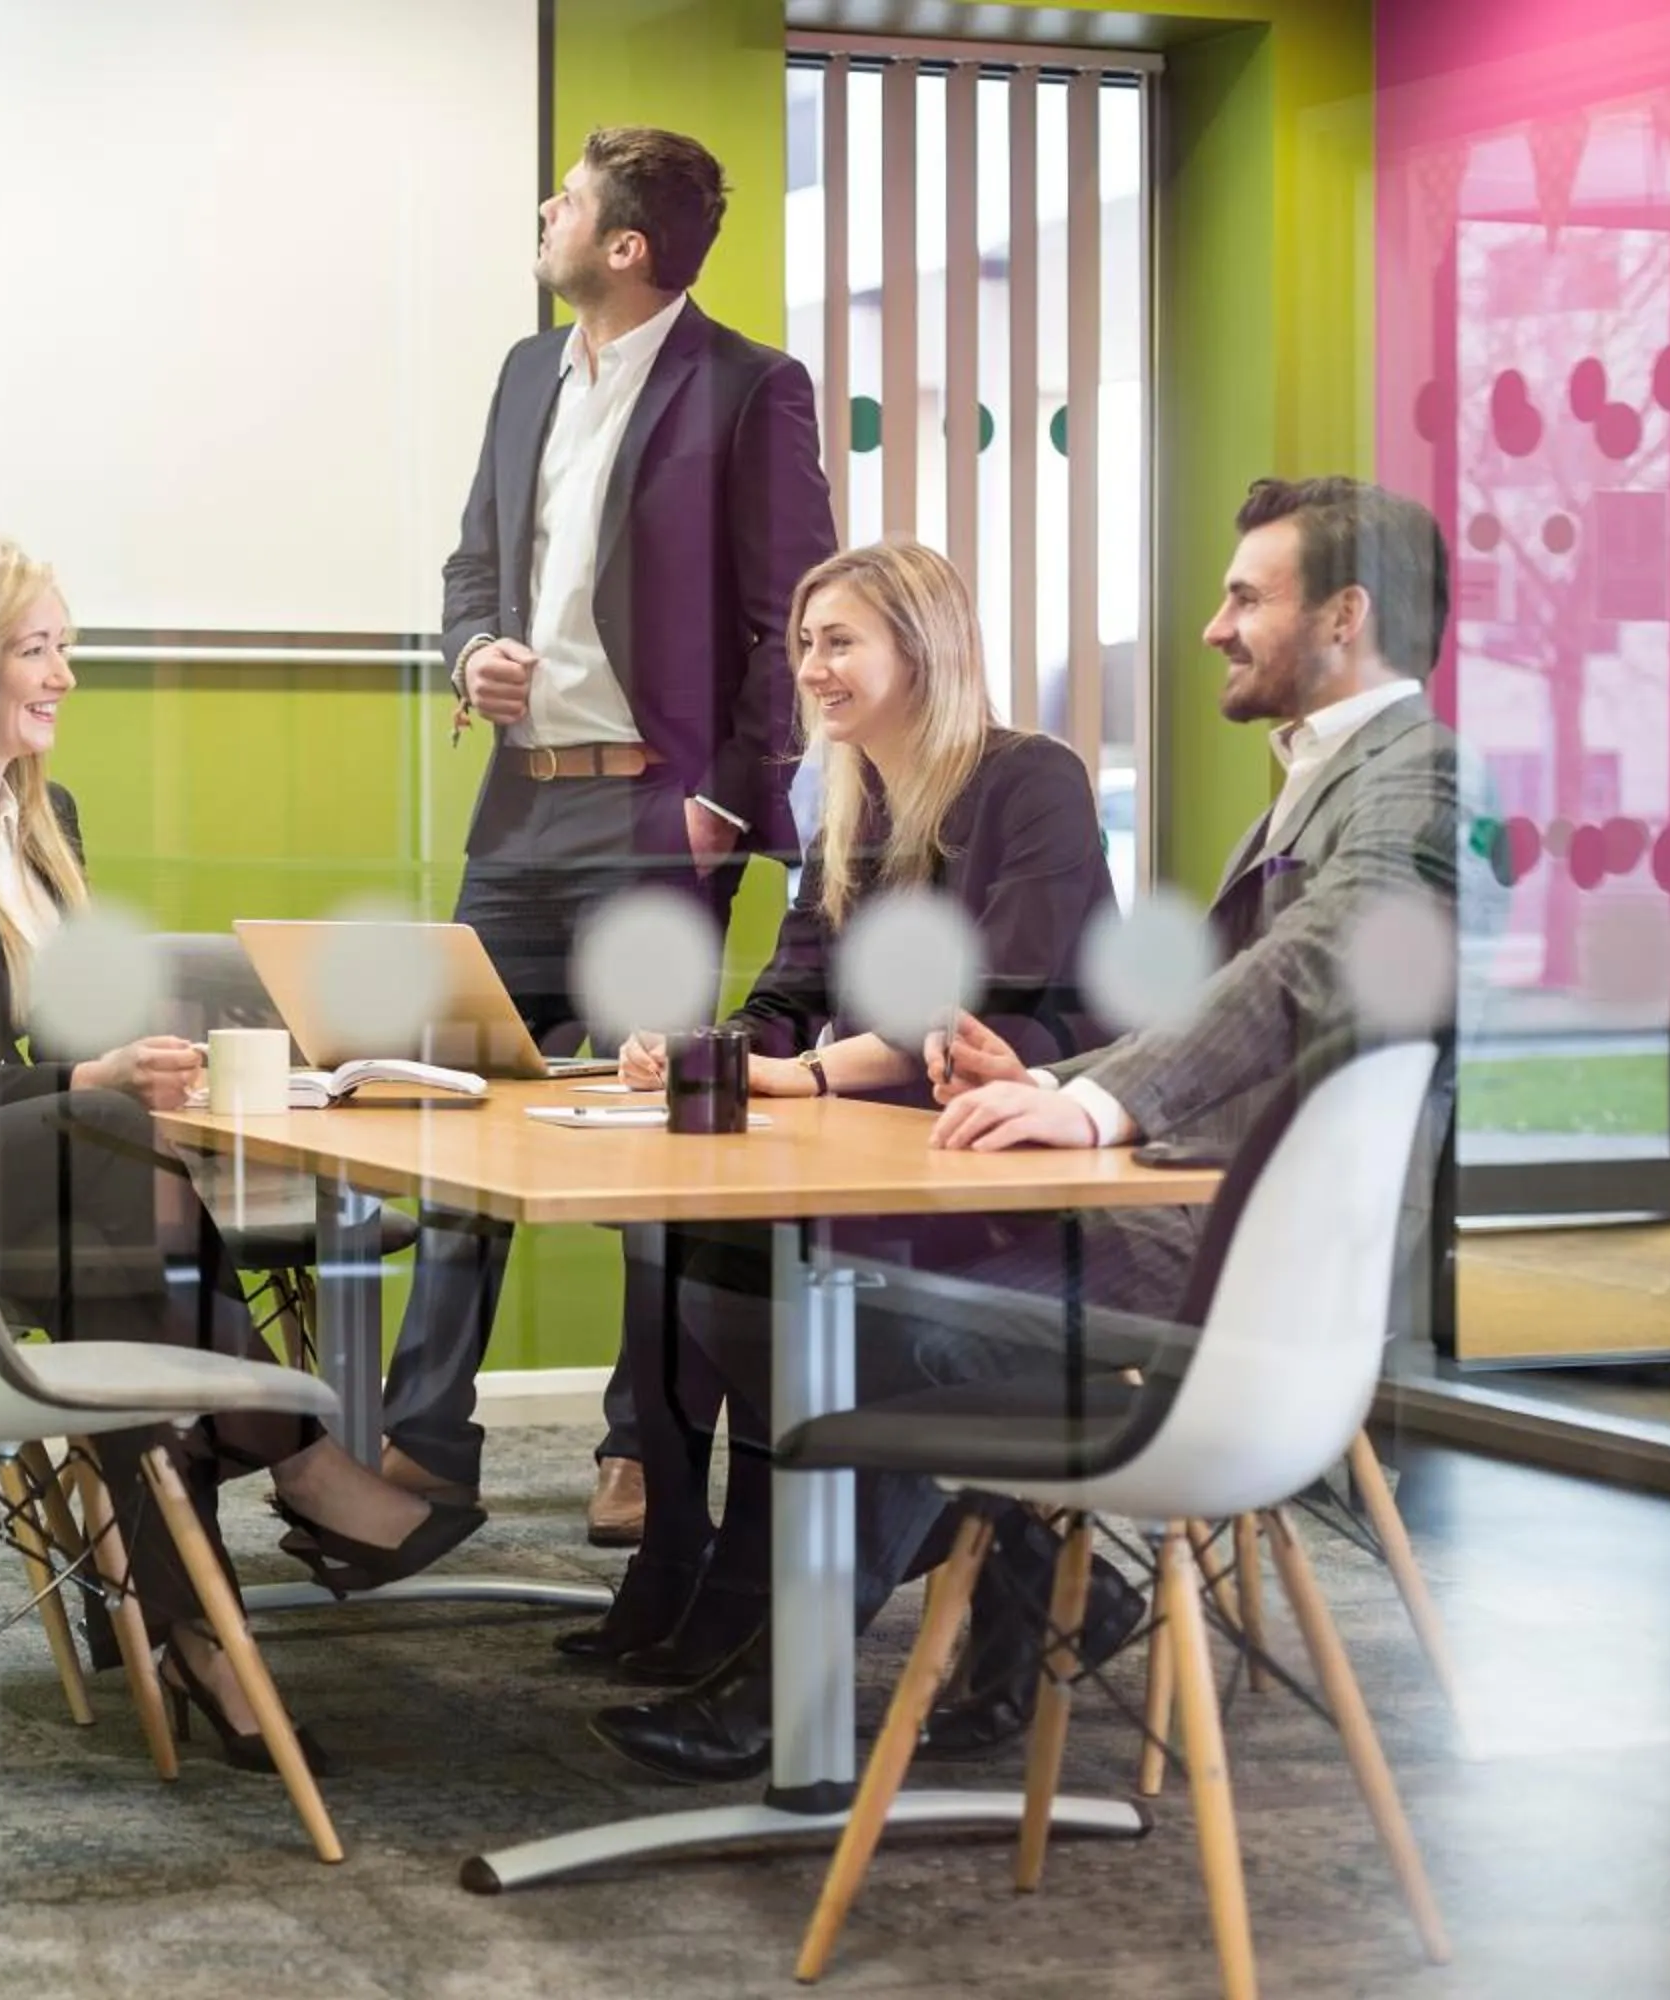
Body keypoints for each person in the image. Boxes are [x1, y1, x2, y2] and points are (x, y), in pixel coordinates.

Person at [593, 476, 1464, 1785]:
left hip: (1268, 1261)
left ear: (1346, 615)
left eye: (1244, 596)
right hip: (1204, 1212)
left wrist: (1089, 1096)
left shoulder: (1418, 773)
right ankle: (1010, 1606)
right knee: (826, 1289)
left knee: (871, 1311)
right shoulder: (1317, 778)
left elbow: (1312, 971)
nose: (1215, 629)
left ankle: (801, 1687)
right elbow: (1223, 1014)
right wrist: (1065, 1075)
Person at [0, 541, 484, 1767]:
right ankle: (297, 1475)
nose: (67, 676)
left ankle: (188, 1625)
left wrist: (135, 1065)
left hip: (36, 1181)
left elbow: (56, 1039)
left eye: (66, 645)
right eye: (38, 648)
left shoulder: (42, 821)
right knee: (108, 1157)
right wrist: (86, 1085)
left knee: (120, 1219)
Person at [549, 542, 1114, 1703]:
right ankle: (683, 1568)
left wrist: (796, 1079)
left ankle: (781, 1583)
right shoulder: (851, 799)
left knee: (741, 1277)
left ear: (925, 647)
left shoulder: (1031, 780)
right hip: (877, 1129)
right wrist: (703, 1054)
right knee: (664, 1239)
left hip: (1009, 1147)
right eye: (807, 642)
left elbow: (982, 1009)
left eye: (839, 640)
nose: (813, 666)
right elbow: (789, 993)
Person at [385, 125, 836, 1541]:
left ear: (625, 247)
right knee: (447, 1114)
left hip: (659, 814)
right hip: (519, 807)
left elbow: (792, 606)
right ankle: (422, 1446)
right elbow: (474, 566)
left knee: (650, 1141)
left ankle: (642, 1447)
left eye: (567, 203)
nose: (547, 214)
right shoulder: (528, 374)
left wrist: (728, 799)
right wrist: (474, 660)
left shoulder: (750, 388)